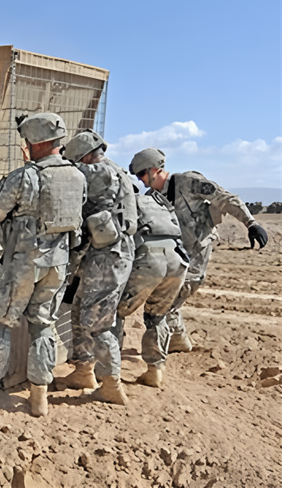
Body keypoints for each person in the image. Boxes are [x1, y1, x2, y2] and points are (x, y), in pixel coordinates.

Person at [0, 113, 86, 417]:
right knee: (43, 325)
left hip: (23, 263)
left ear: (34, 143)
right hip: (59, 263)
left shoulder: (26, 176)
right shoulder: (78, 176)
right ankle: (38, 397)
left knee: (2, 320)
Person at [128, 148, 269, 352]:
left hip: (196, 253)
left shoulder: (188, 182)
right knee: (167, 300)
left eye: (142, 174)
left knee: (166, 301)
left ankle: (161, 353)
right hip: (173, 256)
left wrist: (251, 223)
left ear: (154, 170)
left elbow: (225, 198)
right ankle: (179, 342)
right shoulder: (152, 198)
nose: (140, 180)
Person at [61, 130, 136, 405]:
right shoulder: (112, 171)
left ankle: (110, 384)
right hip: (101, 256)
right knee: (81, 310)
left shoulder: (105, 172)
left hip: (109, 258)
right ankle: (83, 371)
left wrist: (44, 161)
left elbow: (73, 175)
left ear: (84, 156)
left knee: (98, 323)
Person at [114, 184, 189, 387]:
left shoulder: (126, 203)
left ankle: (110, 370)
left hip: (150, 258)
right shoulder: (157, 202)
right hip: (178, 259)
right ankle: (155, 370)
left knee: (117, 311)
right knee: (157, 315)